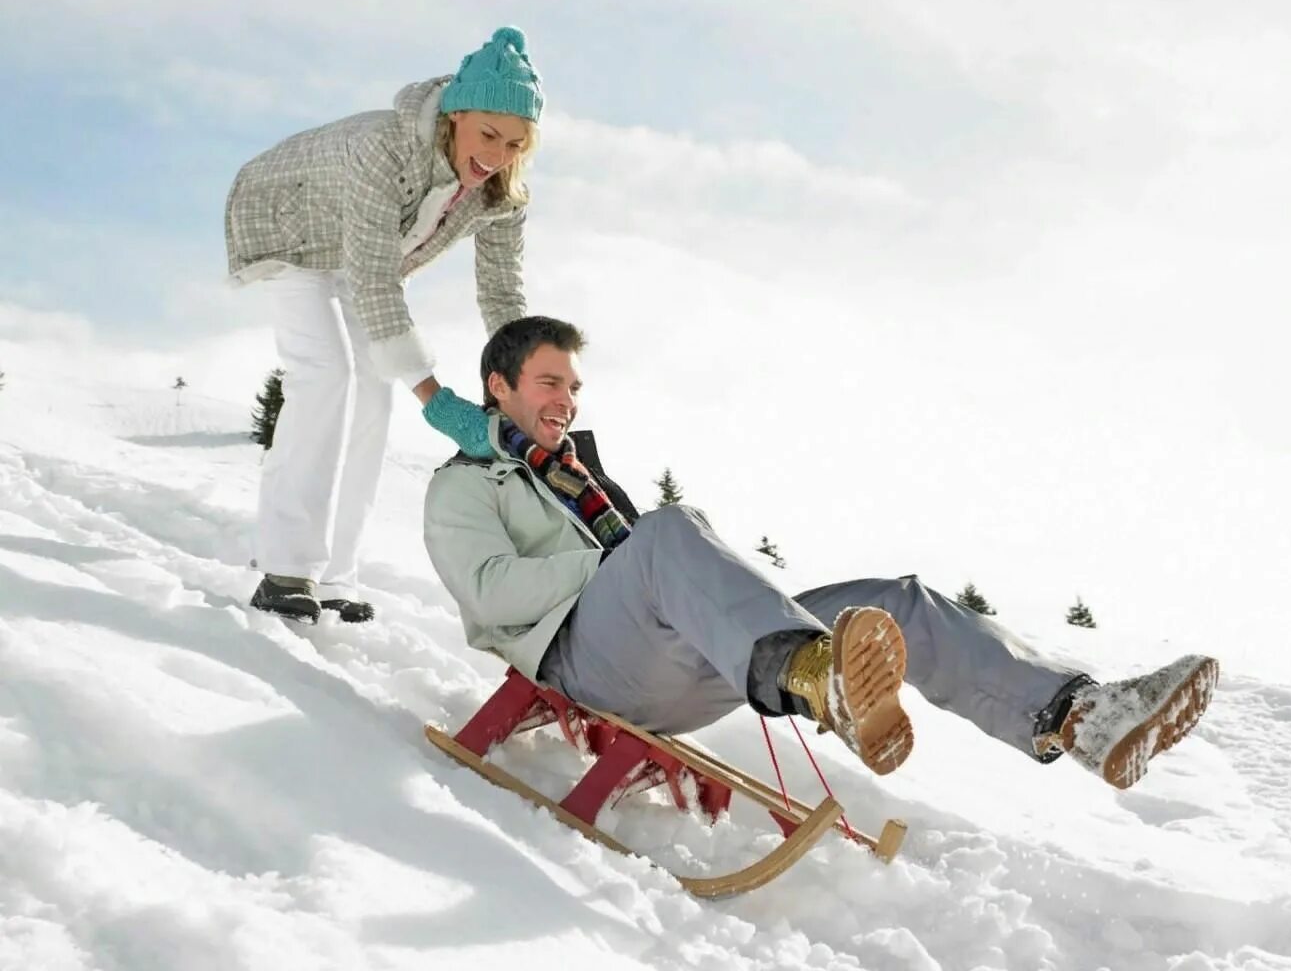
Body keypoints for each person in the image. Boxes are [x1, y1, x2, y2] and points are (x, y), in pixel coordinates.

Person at [422, 316, 1220, 788]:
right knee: (666, 531)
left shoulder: (581, 479)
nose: (565, 400)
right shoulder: (465, 486)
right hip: (579, 669)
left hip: (681, 663)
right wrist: (615, 564)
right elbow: (491, 594)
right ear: (498, 386)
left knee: (891, 604)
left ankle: (1080, 716)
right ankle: (812, 673)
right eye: (549, 382)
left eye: (574, 388)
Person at [225, 27, 543, 624]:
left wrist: (524, 384)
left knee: (373, 392)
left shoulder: (501, 193)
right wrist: (439, 402)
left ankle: (335, 573)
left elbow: (502, 294)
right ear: (454, 116)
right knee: (327, 374)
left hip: (358, 254)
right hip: (286, 223)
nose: (497, 154)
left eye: (515, 142)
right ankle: (285, 567)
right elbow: (376, 281)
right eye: (488, 134)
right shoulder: (386, 146)